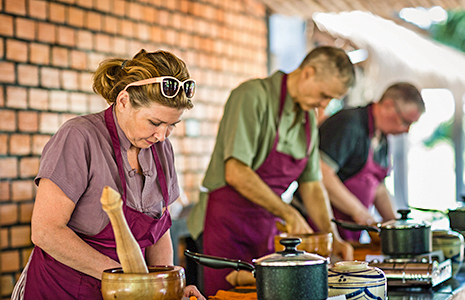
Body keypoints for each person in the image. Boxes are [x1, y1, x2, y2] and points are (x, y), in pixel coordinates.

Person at [13, 50, 205, 300]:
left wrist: (164, 290)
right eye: (154, 122)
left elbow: (159, 234)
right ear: (124, 101)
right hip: (63, 290)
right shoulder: (79, 137)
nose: (162, 135)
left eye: (171, 126)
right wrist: (131, 282)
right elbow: (46, 231)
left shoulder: (161, 149)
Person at [187, 46, 356, 296]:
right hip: (224, 227)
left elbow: (312, 184)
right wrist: (288, 212)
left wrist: (334, 237)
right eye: (324, 95)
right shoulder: (252, 95)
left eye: (331, 100)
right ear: (308, 73)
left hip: (265, 230)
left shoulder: (308, 119)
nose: (324, 105)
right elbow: (235, 171)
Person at [319, 82, 425, 242]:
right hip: (320, 230)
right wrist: (360, 213)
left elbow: (378, 188)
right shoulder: (348, 124)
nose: (406, 130)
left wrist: (396, 227)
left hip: (349, 236)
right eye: (405, 122)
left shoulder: (382, 137)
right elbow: (322, 172)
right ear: (388, 106)